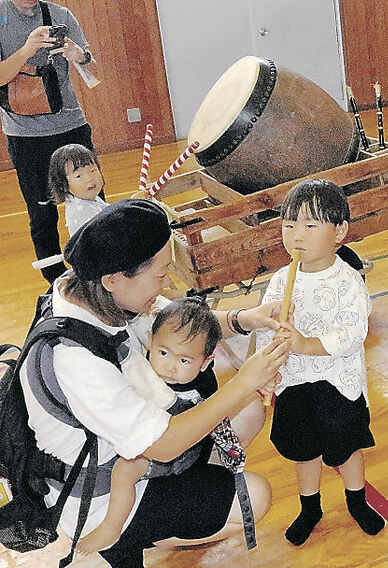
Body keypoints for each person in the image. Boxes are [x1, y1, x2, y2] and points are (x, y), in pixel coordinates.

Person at [19, 199, 290, 567]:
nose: (167, 281)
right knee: (254, 497)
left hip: (130, 447)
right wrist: (243, 382)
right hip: (102, 492)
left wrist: (246, 318)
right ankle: (129, 536)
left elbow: (176, 323)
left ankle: (186, 494)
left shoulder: (85, 286)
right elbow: (163, 446)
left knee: (250, 413)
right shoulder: (74, 359)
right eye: (161, 274)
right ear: (115, 278)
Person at [256, 179, 384, 546]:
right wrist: (269, 369)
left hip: (339, 385)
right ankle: (310, 507)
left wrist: (306, 343)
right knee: (304, 449)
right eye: (289, 225)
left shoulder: (348, 281)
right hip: (294, 384)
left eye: (310, 226)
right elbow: (268, 327)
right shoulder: (281, 280)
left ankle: (356, 500)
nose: (297, 235)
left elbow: (352, 333)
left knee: (346, 448)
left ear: (339, 231)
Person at [75, 297, 239, 556]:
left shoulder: (200, 385)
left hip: (181, 452)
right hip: (168, 449)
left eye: (184, 361)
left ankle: (112, 526)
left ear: (205, 362)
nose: (170, 366)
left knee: (124, 470)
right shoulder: (146, 365)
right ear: (151, 341)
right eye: (163, 353)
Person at [0, 0, 98, 283]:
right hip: (25, 135)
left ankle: (102, 272)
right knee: (41, 213)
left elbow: (95, 75)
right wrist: (28, 50)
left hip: (71, 127)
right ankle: (57, 282)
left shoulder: (60, 14)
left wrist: (79, 55)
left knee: (93, 203)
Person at [48, 143, 107, 236]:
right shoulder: (82, 211)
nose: (89, 179)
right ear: (63, 185)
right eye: (79, 176)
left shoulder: (91, 199)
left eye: (93, 170)